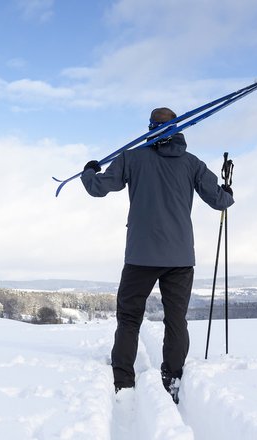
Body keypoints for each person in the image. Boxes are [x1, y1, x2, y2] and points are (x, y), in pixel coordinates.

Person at [80, 107, 234, 403]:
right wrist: (227, 189)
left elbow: (98, 188)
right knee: (177, 320)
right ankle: (173, 377)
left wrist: (90, 171)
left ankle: (123, 380)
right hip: (180, 258)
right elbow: (220, 201)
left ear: (151, 128)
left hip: (140, 255)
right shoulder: (193, 164)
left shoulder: (131, 158)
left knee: (128, 318)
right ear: (178, 129)